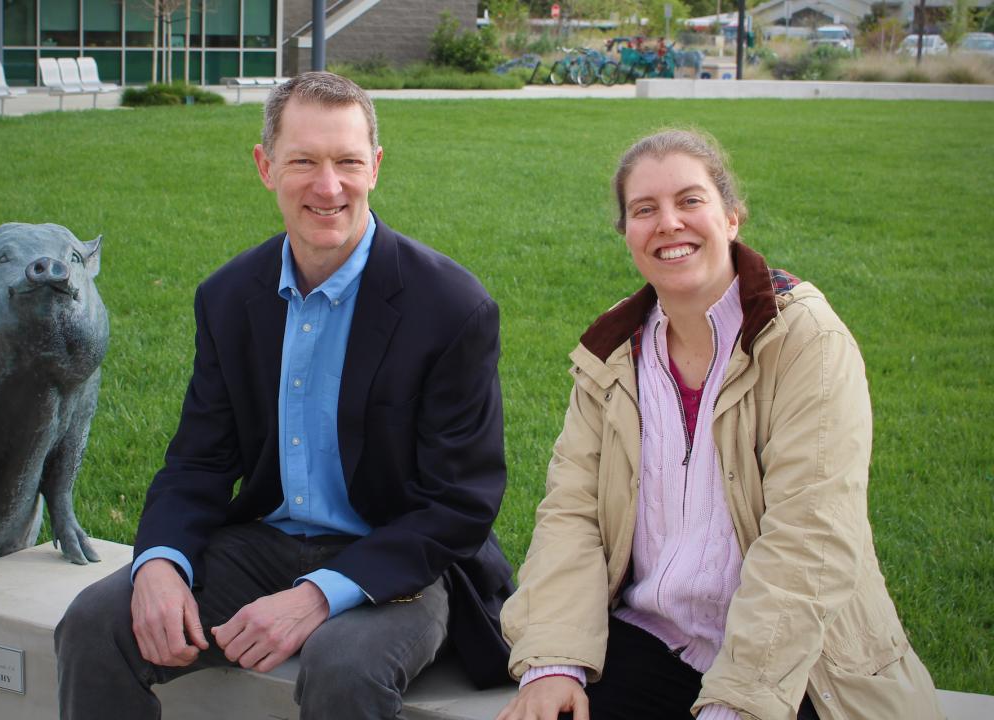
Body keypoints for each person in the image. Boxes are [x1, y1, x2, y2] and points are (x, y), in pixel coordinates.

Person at [55, 72, 514, 720]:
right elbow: (200, 462)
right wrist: (158, 562)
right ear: (265, 166)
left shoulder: (450, 308)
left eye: (348, 162)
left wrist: (318, 597)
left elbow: (459, 506)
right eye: (304, 162)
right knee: (94, 624)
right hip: (265, 544)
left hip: (401, 564)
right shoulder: (229, 297)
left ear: (375, 166)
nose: (329, 187)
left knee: (344, 670)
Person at [498, 129, 943, 720]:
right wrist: (553, 663)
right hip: (653, 639)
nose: (668, 224)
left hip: (797, 663)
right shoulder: (612, 351)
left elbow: (810, 536)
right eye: (644, 209)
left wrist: (738, 702)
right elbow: (572, 513)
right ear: (627, 232)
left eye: (690, 201)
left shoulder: (803, 339)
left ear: (731, 217)